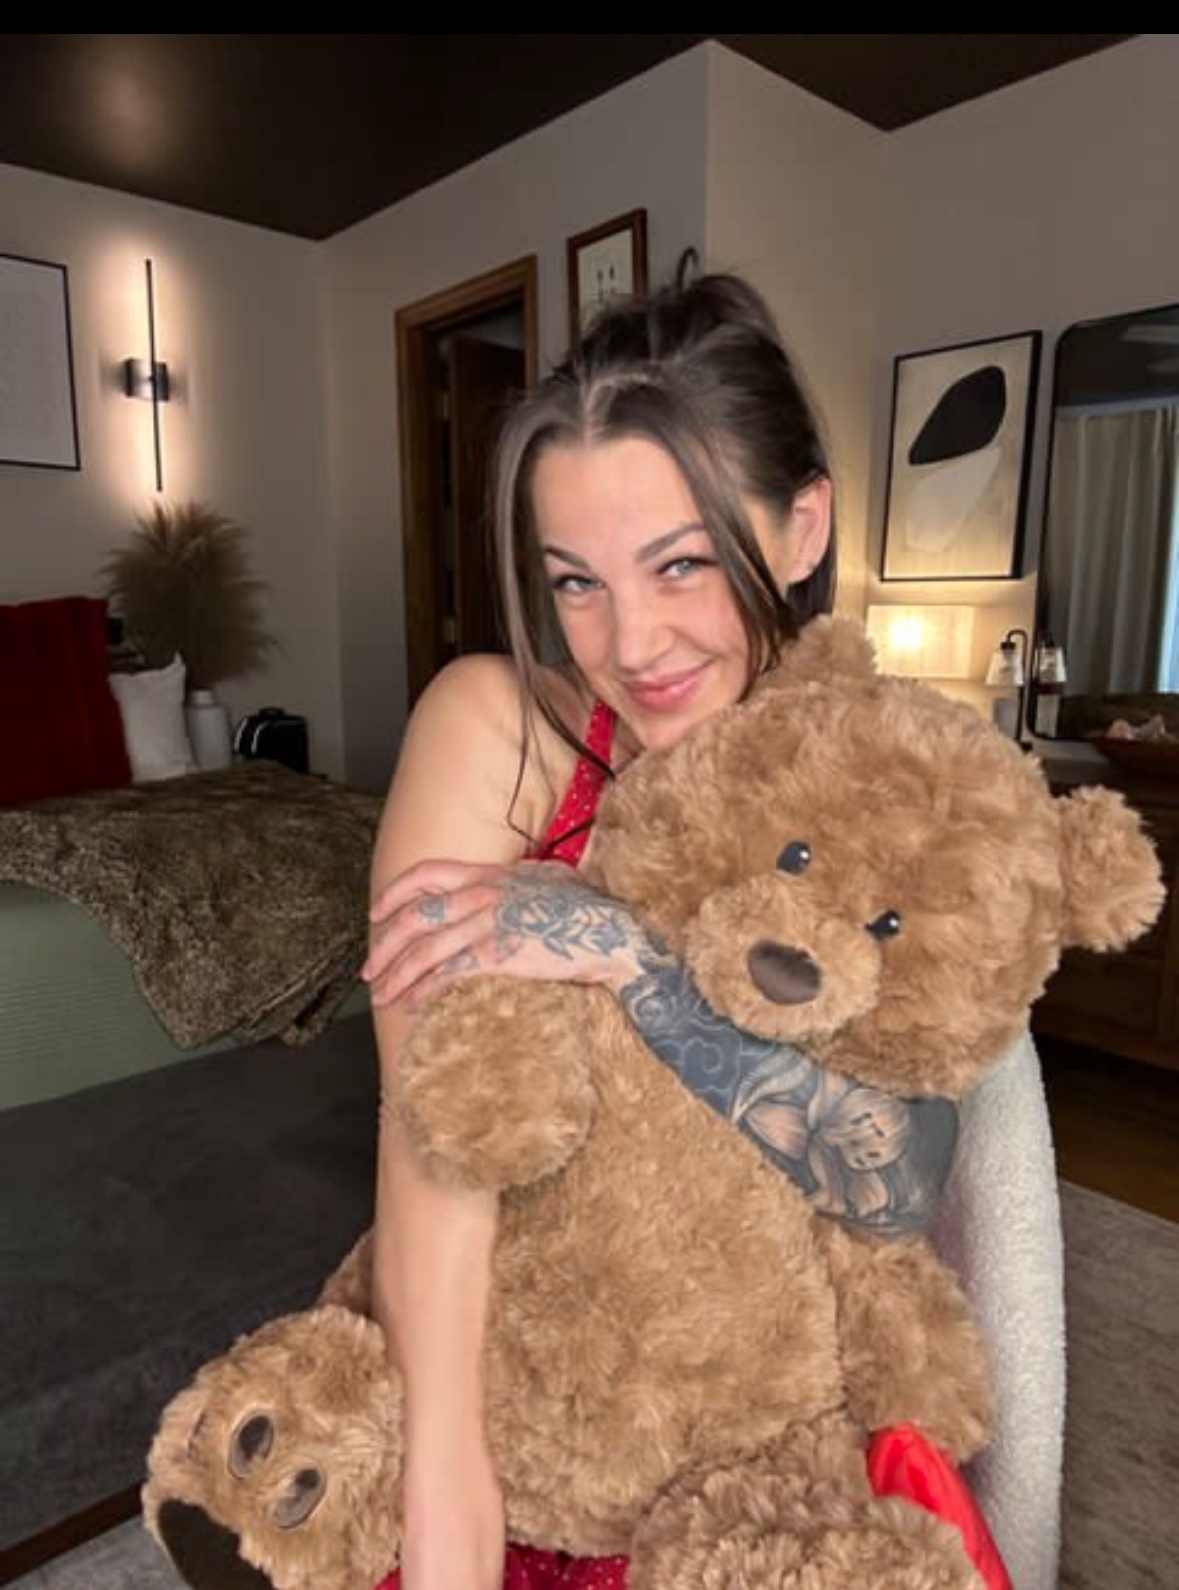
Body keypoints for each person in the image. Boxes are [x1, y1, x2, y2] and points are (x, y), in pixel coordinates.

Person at [361, 260, 1008, 1590]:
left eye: (681, 565)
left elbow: (899, 1182)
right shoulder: (497, 729)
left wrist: (629, 956)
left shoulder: (886, 793)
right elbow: (434, 1147)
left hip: (767, 1430)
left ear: (803, 526)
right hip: (532, 1391)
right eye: (576, 582)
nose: (632, 642)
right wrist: (447, 1495)